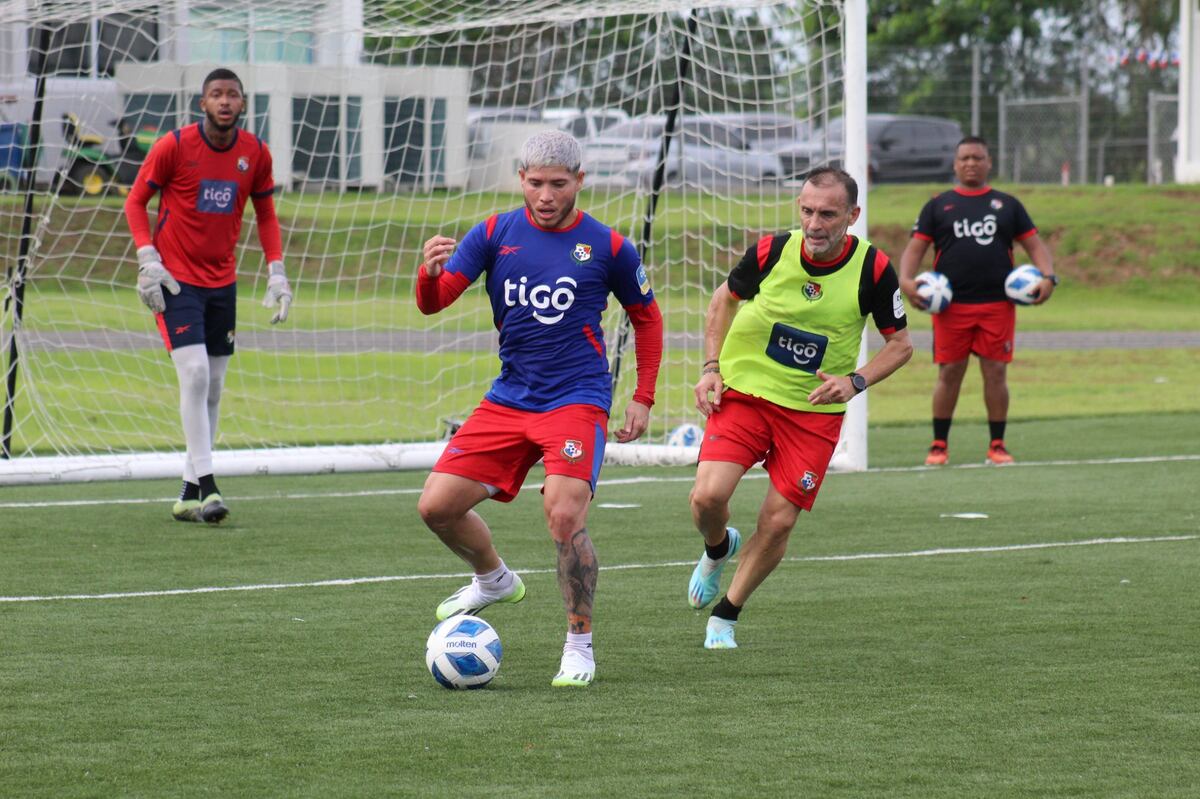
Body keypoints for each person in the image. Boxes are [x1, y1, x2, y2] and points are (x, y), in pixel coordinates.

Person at [414, 130, 663, 687]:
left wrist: (642, 397)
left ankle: (579, 644)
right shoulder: (495, 232)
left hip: (577, 399)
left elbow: (647, 317)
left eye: (558, 183)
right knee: (436, 508)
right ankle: (494, 577)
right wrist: (427, 275)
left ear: (579, 181)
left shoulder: (609, 247)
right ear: (520, 180)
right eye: (535, 183)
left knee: (564, 513)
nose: (546, 195)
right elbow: (435, 303)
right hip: (510, 396)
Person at [687, 167, 912, 649]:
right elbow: (723, 300)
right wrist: (711, 367)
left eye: (828, 214)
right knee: (707, 498)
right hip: (746, 392)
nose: (814, 224)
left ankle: (726, 614)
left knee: (780, 519)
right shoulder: (771, 251)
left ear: (852, 216)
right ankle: (717, 547)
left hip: (811, 413)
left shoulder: (872, 269)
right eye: (807, 210)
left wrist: (854, 382)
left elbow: (900, 346)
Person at [124, 68, 292, 524]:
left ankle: (187, 492)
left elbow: (267, 215)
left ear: (242, 104)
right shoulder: (174, 146)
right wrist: (147, 257)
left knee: (213, 386)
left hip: (223, 283)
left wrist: (276, 270)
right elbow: (135, 201)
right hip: (176, 281)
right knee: (195, 374)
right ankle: (210, 486)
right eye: (216, 94)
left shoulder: (255, 153)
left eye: (232, 95)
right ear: (202, 104)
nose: (224, 101)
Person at [898, 136, 1057, 466]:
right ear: (955, 165)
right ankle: (938, 445)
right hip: (950, 307)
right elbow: (915, 249)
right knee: (950, 372)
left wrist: (1048, 277)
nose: (971, 163)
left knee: (996, 372)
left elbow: (1035, 246)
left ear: (989, 163)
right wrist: (906, 281)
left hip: (998, 305)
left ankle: (997, 445)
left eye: (978, 157)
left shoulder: (1007, 205)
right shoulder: (938, 206)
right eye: (965, 158)